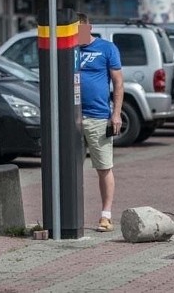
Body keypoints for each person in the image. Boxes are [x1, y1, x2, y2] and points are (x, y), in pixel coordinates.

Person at [77, 12, 124, 232]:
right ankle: (69, 213)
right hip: (72, 118)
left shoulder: (106, 48)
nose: (78, 35)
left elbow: (118, 82)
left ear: (89, 27)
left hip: (97, 116)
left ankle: (106, 215)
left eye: (81, 29)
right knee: (69, 167)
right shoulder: (68, 49)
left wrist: (116, 113)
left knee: (103, 166)